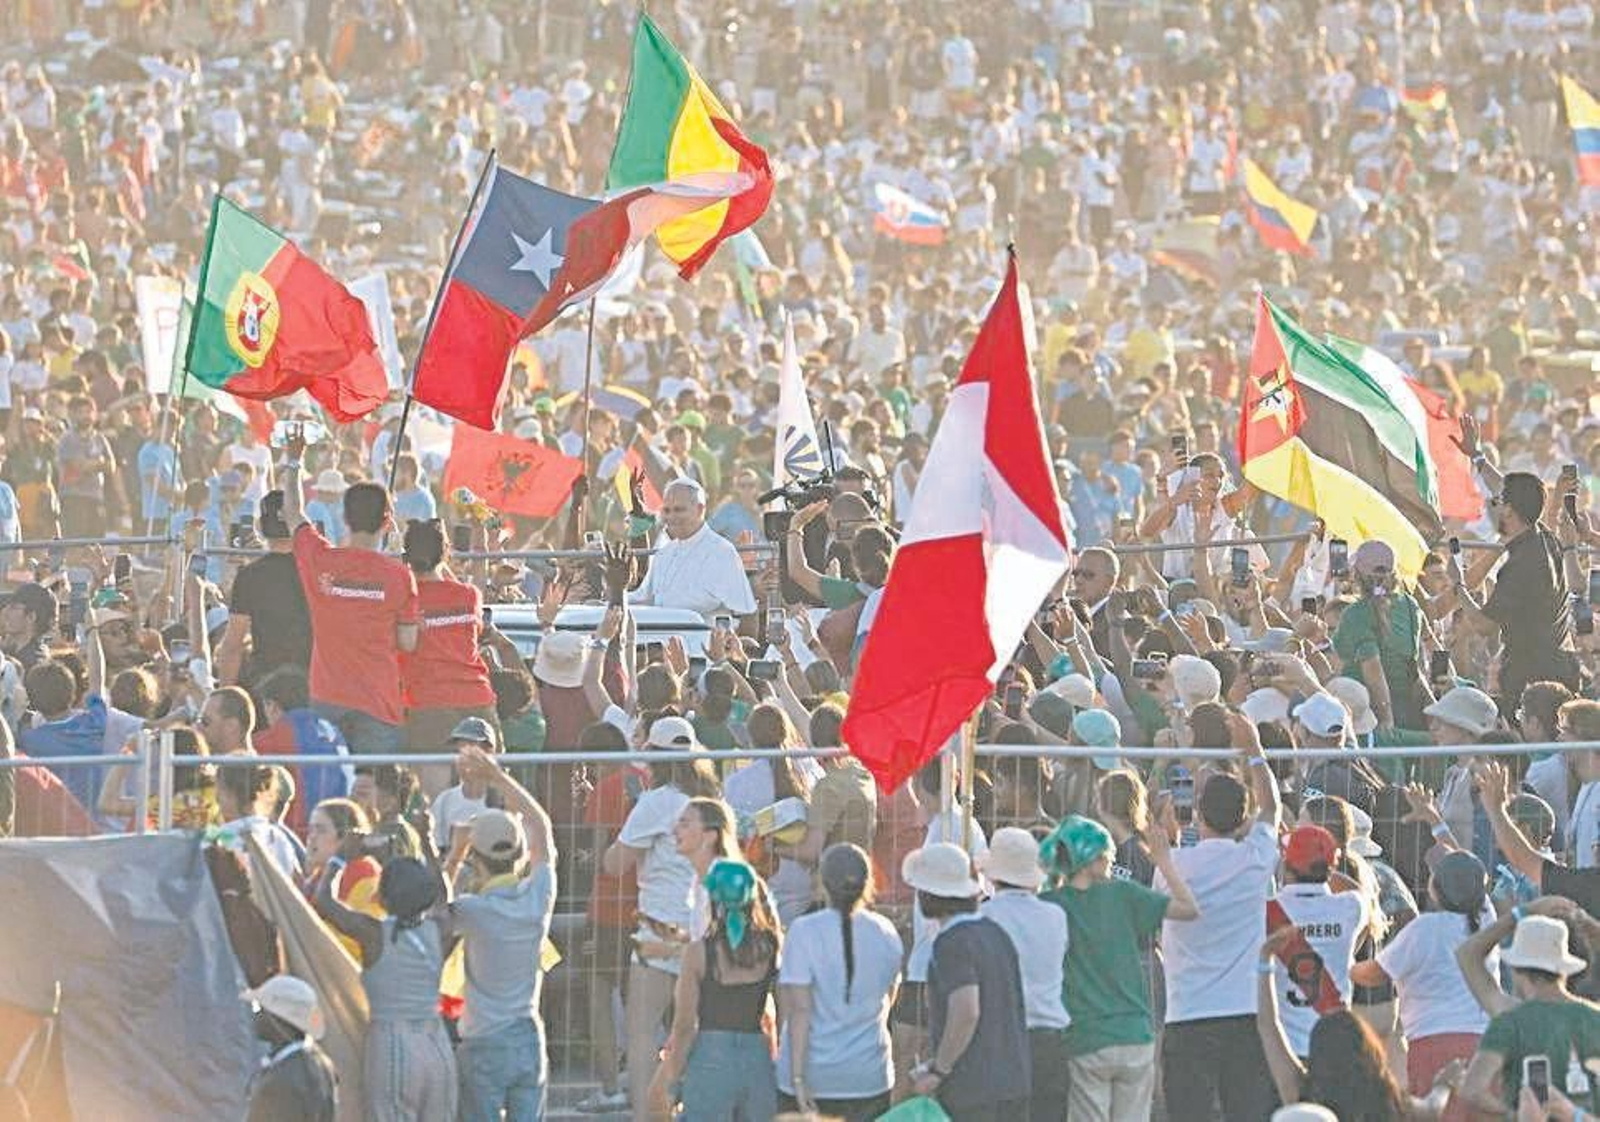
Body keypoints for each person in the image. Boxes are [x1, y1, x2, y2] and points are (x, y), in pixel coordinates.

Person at [1157, 713, 1284, 1121]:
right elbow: (1273, 808)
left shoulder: (1171, 866)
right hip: (1243, 1014)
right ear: (1243, 819)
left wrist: (1170, 834)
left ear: (1198, 813)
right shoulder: (1254, 859)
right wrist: (1255, 753)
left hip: (1187, 1013)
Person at [600, 718, 724, 1122]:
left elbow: (614, 863)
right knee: (693, 1031)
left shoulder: (655, 802)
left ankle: (647, 1114)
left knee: (641, 1034)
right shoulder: (710, 802)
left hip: (657, 930)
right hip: (702, 931)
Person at [1044, 804, 1198, 1122]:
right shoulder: (1126, 895)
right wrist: (1165, 863)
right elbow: (1188, 909)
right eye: (1106, 854)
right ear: (1092, 859)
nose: (1111, 858)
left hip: (1087, 1036)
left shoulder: (1052, 906)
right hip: (1135, 1035)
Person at [282, 431, 420, 754]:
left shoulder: (319, 559)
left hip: (328, 698)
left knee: (328, 791)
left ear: (344, 517)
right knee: (371, 794)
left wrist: (293, 461)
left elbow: (292, 514)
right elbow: (407, 642)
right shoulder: (400, 577)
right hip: (379, 703)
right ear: (388, 522)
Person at [441, 746, 557, 1122]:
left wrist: (455, 855)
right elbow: (542, 829)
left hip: (483, 1040)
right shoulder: (537, 897)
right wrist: (499, 777)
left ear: (477, 860)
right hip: (527, 1033)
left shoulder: (474, 911)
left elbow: (439, 908)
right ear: (520, 854)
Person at [1256, 925, 1456, 1122]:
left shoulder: (1301, 1091)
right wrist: (1443, 1085)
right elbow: (1433, 1108)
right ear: (1368, 1049)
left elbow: (1268, 1025)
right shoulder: (1390, 1103)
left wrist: (1265, 959)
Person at [1349, 850, 1494, 1119]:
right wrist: (1436, 824)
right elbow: (1471, 876)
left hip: (1433, 1045)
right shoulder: (1486, 920)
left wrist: (1345, 962)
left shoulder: (1424, 929)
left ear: (1434, 888)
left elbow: (1373, 974)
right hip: (1484, 1043)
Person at [316, 854, 458, 1122]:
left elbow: (324, 902)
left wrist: (338, 858)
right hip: (436, 1041)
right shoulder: (439, 930)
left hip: (392, 1043)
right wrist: (427, 841)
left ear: (382, 898)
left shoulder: (374, 934)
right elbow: (444, 900)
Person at [903, 841, 1030, 1122]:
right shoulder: (995, 933)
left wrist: (939, 1069)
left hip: (973, 1088)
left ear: (930, 894)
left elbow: (966, 1010)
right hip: (1013, 1079)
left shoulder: (951, 943)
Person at [777, 843, 904, 1122]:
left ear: (822, 882)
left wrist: (797, 1078)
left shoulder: (803, 931)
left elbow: (799, 1011)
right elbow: (889, 996)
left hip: (813, 1075)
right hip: (868, 1075)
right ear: (868, 883)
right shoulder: (886, 932)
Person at [651, 859, 782, 1121]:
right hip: (757, 1055)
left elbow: (684, 1026)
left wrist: (672, 1080)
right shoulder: (770, 946)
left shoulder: (699, 953)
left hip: (710, 1057)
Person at [1441, 466, 1580, 705]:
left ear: (1508, 510)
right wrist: (1477, 456)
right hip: (1557, 668)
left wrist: (1459, 585)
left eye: (1497, 502)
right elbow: (1515, 492)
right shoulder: (1546, 539)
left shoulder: (1519, 565)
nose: (1491, 507)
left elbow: (1483, 625)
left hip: (1530, 678)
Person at [1457, 903, 1600, 1116]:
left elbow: (1472, 1091)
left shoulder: (1509, 1020)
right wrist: (1592, 927)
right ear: (1565, 970)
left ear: (1516, 970)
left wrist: (1513, 1116)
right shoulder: (1594, 1017)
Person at [976, 827, 1072, 1122]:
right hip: (1050, 1039)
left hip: (1001, 1039)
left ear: (993, 875)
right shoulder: (1056, 916)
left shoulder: (983, 917)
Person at [398, 518, 498, 795]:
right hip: (477, 699)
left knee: (436, 802)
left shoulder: (403, 600)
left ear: (406, 557)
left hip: (428, 703)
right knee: (490, 796)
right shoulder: (469, 596)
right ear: (445, 554)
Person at [1267, 825, 1369, 1059]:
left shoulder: (1267, 912)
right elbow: (1362, 893)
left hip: (1286, 1049)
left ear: (1285, 863)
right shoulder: (1350, 907)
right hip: (1336, 1046)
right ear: (1331, 868)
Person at [216, 489, 312, 689]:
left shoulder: (250, 576)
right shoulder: (317, 571)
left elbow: (233, 645)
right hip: (313, 681)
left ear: (260, 527)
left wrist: (225, 695)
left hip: (267, 683)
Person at [631, 479, 757, 621]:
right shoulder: (664, 553)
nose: (671, 517)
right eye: (667, 510)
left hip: (703, 640)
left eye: (679, 510)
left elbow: (745, 612)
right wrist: (613, 596)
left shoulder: (722, 552)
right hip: (661, 638)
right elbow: (643, 598)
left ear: (699, 510)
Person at [242, 974, 338, 1122]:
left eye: (260, 1008)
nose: (256, 1015)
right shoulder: (322, 1063)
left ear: (277, 1017)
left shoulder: (280, 1082)